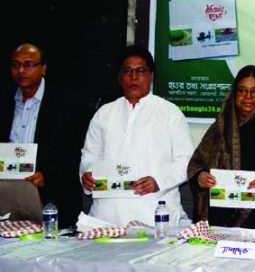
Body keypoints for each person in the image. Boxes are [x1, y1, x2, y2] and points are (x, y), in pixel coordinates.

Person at [79, 46, 194, 226]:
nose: (133, 77)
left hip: (154, 212)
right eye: (127, 71)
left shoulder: (170, 113)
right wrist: (86, 174)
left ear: (151, 76)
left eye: (140, 71)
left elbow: (187, 161)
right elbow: (89, 156)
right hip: (107, 216)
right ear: (119, 77)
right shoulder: (104, 113)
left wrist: (159, 181)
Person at [0, 43, 86, 227]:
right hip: (5, 189)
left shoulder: (68, 103)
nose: (21, 70)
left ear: (43, 68)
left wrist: (49, 175)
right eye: (15, 65)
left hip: (48, 193)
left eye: (29, 64)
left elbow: (76, 151)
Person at [187, 65, 255, 229]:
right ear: (234, 93)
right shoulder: (220, 126)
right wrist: (200, 177)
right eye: (242, 90)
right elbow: (197, 164)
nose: (248, 97)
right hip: (219, 220)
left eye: (254, 91)